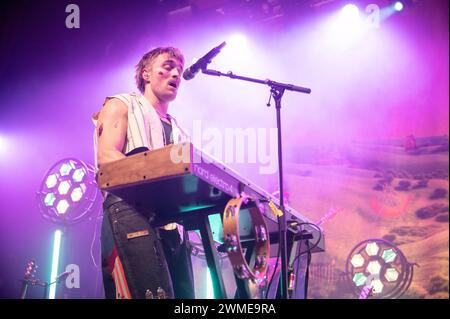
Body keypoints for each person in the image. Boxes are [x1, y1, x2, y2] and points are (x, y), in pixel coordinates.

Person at [92, 47, 194, 299]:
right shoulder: (121, 104)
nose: (176, 74)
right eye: (168, 66)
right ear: (146, 74)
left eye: (179, 70)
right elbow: (107, 158)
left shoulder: (180, 130)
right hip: (130, 213)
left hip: (173, 228)